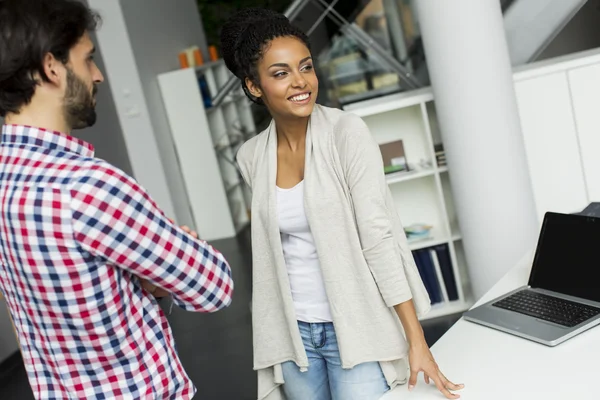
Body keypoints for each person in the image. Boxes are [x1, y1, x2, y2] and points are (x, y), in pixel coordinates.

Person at [222, 8, 464, 400]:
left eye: (305, 67)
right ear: (254, 86)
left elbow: (378, 238)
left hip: (356, 326)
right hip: (294, 334)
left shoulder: (347, 134)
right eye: (281, 73)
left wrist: (415, 338)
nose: (300, 82)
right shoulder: (252, 156)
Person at [0, 0, 234, 399]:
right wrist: (160, 267)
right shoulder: (89, 188)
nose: (98, 75)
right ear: (51, 67)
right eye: (88, 59)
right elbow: (213, 285)